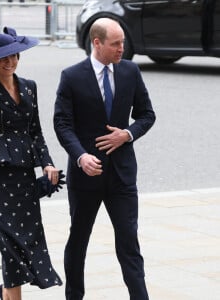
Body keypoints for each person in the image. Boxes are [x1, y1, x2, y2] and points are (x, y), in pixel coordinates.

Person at [54, 18, 156, 300]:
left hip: (122, 175)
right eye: (116, 44)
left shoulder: (130, 71)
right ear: (96, 43)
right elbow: (62, 124)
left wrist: (127, 134)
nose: (122, 48)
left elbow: (147, 114)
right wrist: (81, 156)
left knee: (129, 243)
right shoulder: (72, 76)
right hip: (86, 176)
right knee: (78, 242)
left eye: (123, 42)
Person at [0, 27, 63, 300]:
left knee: (27, 242)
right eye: (3, 59)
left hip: (24, 176)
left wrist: (47, 164)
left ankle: (5, 295)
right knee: (9, 245)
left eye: (14, 57)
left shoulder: (29, 86)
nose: (10, 63)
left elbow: (36, 131)